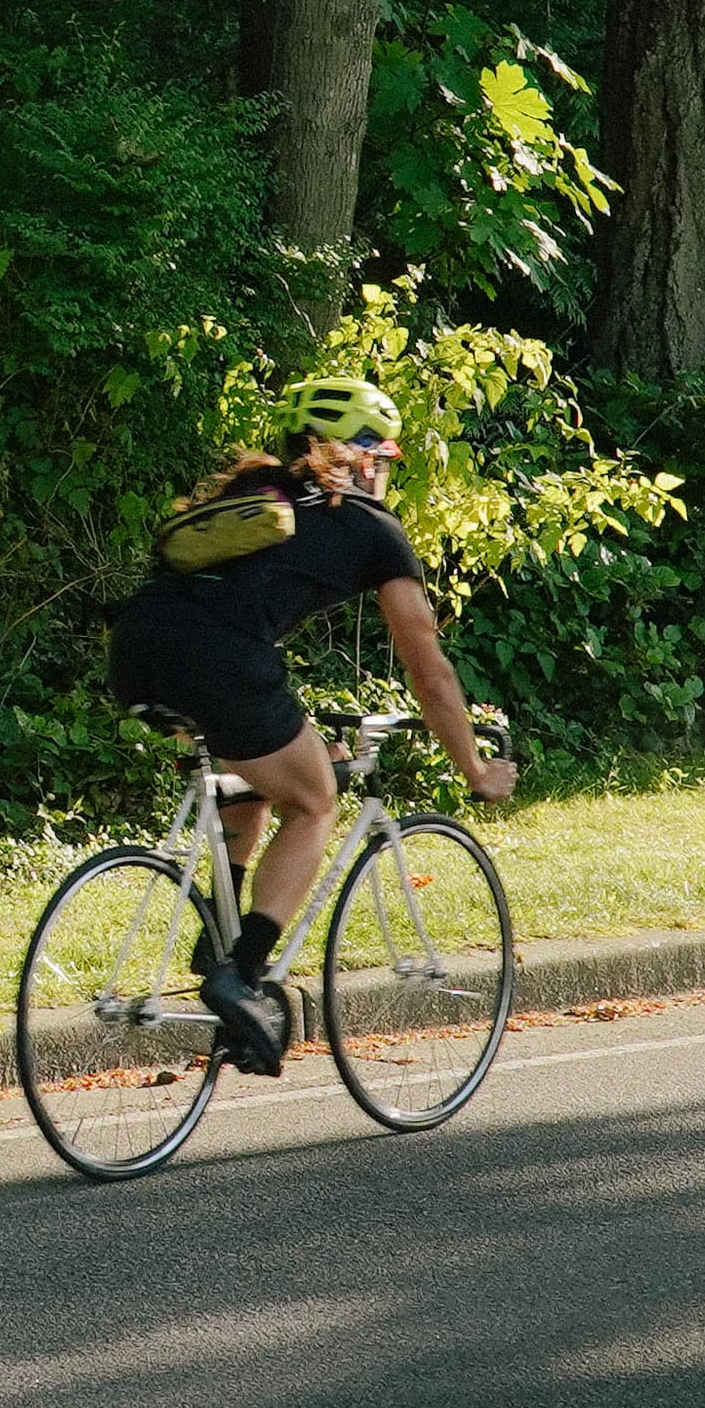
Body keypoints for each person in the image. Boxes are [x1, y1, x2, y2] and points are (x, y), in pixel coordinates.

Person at [105, 375, 517, 1075]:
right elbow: (430, 670)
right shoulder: (370, 526)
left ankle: (219, 937)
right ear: (357, 455)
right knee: (317, 797)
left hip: (135, 650)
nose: (383, 473)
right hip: (222, 661)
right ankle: (242, 975)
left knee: (265, 775)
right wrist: (476, 769)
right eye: (382, 457)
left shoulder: (256, 495)